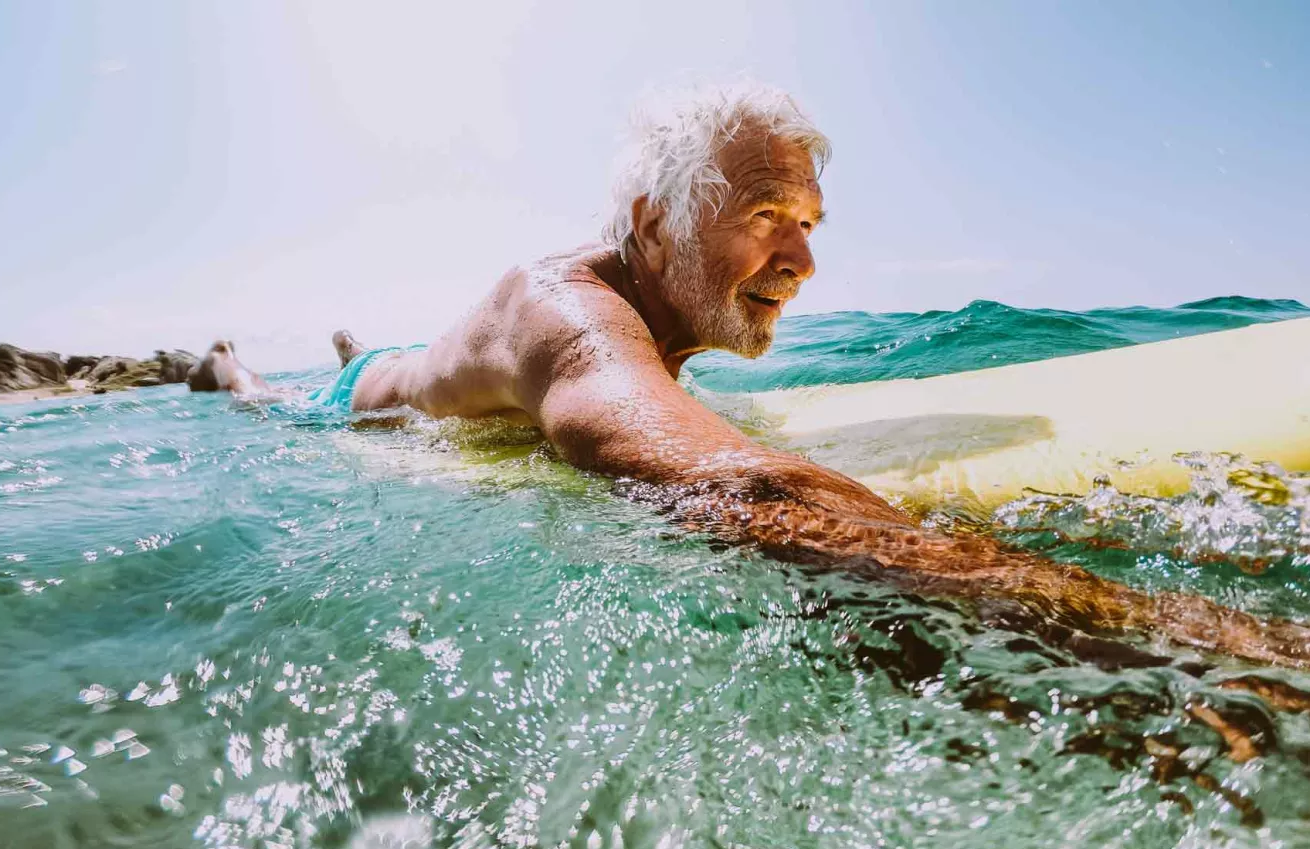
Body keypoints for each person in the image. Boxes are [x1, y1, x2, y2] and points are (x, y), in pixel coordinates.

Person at [188, 81, 1310, 674]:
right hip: (357, 412)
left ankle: (354, 349)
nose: (805, 259)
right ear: (650, 224)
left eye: (812, 222)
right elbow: (741, 491)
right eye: (767, 217)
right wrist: (1150, 625)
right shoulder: (570, 323)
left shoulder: (639, 307)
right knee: (286, 401)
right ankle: (244, 368)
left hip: (478, 360)